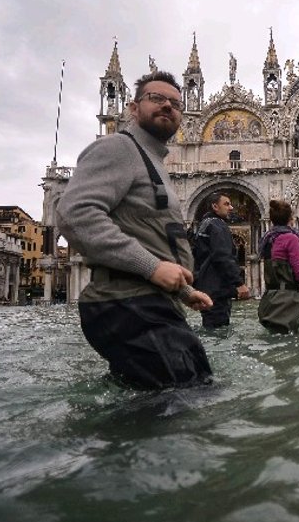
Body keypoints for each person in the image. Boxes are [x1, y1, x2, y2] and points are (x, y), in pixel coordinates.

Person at [57, 71, 215, 390]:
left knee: (169, 401)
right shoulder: (119, 148)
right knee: (184, 404)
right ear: (132, 107)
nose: (167, 107)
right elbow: (74, 213)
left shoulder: (151, 161)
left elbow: (152, 236)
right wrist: (153, 267)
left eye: (175, 103)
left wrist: (184, 291)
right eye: (156, 99)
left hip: (147, 304)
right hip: (129, 304)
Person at [192, 193, 249, 329]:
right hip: (217, 290)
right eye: (226, 204)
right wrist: (239, 283)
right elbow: (222, 256)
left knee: (210, 327)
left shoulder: (204, 224)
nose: (231, 207)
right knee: (219, 331)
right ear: (215, 206)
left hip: (205, 288)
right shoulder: (217, 226)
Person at [256, 200, 299, 334]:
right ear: (291, 219)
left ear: (272, 220)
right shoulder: (291, 238)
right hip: (286, 303)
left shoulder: (267, 238)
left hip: (269, 301)